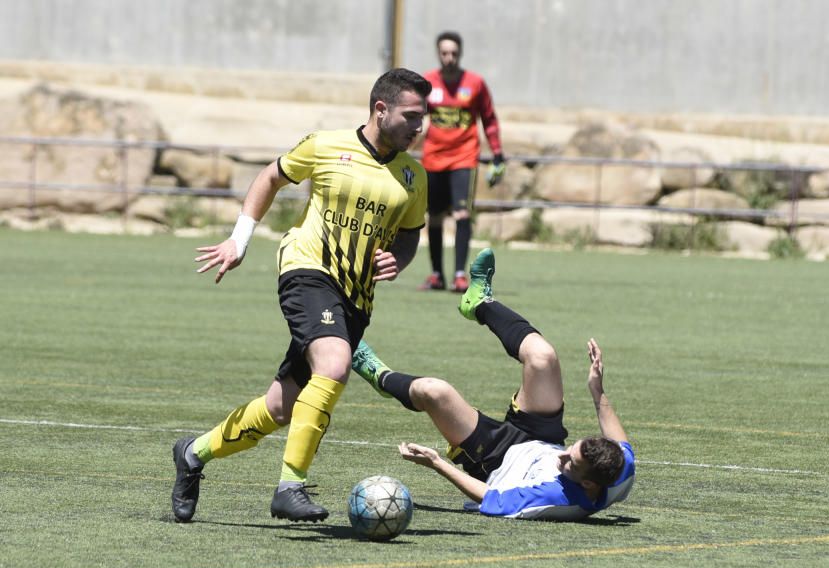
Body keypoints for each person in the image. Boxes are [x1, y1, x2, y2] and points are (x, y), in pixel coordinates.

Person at [170, 68, 432, 524]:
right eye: (411, 116)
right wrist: (239, 240)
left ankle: (192, 454)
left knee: (280, 407)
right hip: (307, 270)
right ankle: (290, 486)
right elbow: (268, 178)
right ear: (381, 108)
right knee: (334, 365)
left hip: (356, 298)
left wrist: (398, 261)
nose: (419, 126)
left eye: (423, 118)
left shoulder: (413, 175)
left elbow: (409, 235)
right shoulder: (326, 145)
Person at [352, 248, 635, 520]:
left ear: (587, 485)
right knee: (542, 357)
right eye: (571, 450)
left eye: (570, 464)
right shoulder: (620, 468)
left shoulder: (555, 499)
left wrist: (437, 463)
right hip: (541, 436)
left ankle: (381, 377)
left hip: (496, 460)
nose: (562, 458)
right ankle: (478, 303)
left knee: (434, 391)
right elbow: (622, 444)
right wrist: (597, 390)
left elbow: (490, 498)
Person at [419, 31, 506, 293]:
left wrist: (497, 153)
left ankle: (459, 275)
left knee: (462, 214)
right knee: (433, 217)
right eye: (445, 53)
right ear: (438, 54)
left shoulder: (475, 83)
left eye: (454, 53)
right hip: (433, 158)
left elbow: (489, 119)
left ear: (461, 54)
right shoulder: (427, 83)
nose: (450, 58)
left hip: (464, 158)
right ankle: (436, 274)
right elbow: (413, 116)